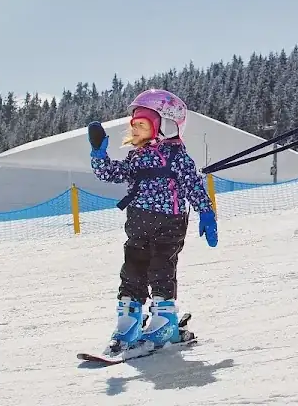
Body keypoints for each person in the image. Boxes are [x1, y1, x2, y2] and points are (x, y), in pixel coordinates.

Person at [88, 88, 218, 355]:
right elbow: (112, 174)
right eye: (133, 125)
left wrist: (206, 212)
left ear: (164, 125)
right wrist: (99, 155)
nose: (134, 129)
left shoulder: (177, 156)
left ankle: (164, 322)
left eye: (142, 124)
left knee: (161, 270)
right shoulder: (135, 156)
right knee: (132, 271)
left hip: (169, 225)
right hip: (137, 223)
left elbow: (193, 185)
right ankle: (128, 322)